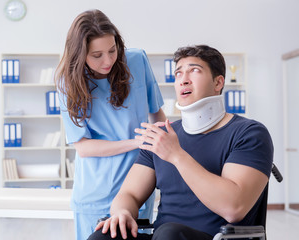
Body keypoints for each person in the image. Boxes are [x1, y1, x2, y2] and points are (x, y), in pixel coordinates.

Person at [89, 45, 274, 240]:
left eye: (194, 70)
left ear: (218, 82)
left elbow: (233, 207)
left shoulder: (249, 133)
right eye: (178, 73)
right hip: (164, 236)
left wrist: (176, 155)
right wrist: (123, 212)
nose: (183, 79)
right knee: (102, 236)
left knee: (170, 233)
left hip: (215, 238)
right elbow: (129, 194)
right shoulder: (161, 136)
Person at [55, 9, 166, 240]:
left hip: (138, 186)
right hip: (96, 193)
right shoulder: (68, 83)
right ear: (80, 53)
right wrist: (136, 142)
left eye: (112, 50)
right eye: (97, 55)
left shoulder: (136, 61)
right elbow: (84, 147)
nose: (108, 61)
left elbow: (158, 116)